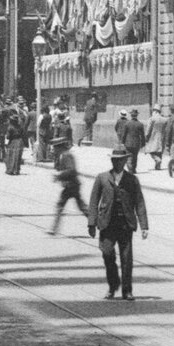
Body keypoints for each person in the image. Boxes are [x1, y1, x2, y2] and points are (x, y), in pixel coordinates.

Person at [88, 146, 149, 300]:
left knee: (127, 259)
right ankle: (113, 284)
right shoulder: (102, 178)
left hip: (125, 224)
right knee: (107, 253)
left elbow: (139, 202)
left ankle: (127, 290)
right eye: (114, 160)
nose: (117, 163)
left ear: (125, 161)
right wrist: (91, 223)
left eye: (120, 160)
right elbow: (93, 201)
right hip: (107, 224)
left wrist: (144, 226)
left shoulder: (132, 179)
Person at [48, 136, 87, 234]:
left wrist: (59, 175)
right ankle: (53, 229)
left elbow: (71, 170)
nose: (53, 150)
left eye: (54, 148)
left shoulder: (66, 155)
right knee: (80, 207)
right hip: (70, 185)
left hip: (72, 186)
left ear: (59, 147)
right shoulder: (63, 155)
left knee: (62, 206)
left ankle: (53, 229)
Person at [122, 109, 148, 174]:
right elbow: (142, 135)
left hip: (128, 143)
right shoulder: (140, 124)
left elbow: (124, 134)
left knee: (128, 156)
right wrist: (143, 144)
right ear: (137, 115)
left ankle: (130, 169)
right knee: (135, 156)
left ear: (131, 115)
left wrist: (122, 142)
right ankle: (133, 169)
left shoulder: (127, 124)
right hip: (137, 143)